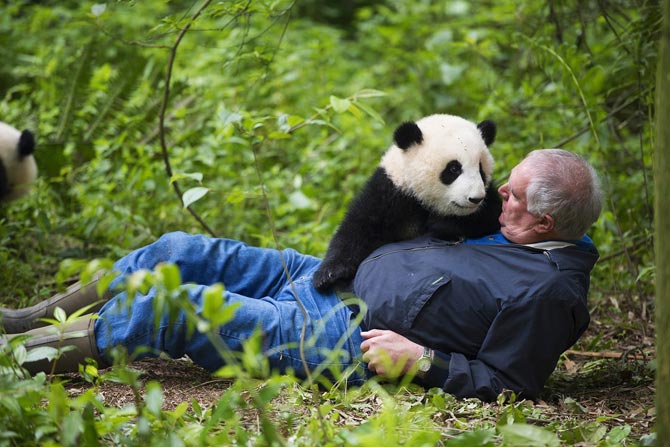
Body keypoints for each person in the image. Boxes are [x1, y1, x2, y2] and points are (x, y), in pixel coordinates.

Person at [0, 148, 603, 402]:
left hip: (344, 335)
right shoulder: (513, 226)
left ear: (545, 219)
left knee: (172, 308)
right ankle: (29, 321)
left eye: (514, 192)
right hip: (323, 274)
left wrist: (422, 360)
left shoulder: (548, 292)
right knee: (177, 249)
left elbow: (509, 382)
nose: (500, 191)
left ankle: (16, 356)